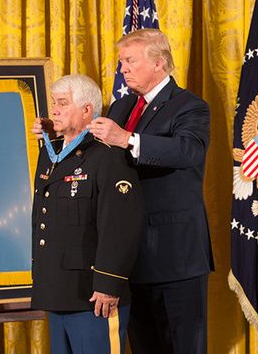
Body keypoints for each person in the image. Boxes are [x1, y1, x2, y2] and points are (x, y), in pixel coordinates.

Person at [32, 29, 213, 353]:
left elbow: (189, 151)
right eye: (121, 62)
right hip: (129, 259)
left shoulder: (189, 106)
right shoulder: (122, 105)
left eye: (130, 61)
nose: (123, 69)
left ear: (158, 62)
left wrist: (128, 139)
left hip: (174, 256)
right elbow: (90, 152)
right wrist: (56, 132)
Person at [31, 74, 144, 353]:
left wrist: (109, 282)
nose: (54, 109)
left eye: (63, 103)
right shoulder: (51, 154)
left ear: (86, 110)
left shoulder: (108, 155)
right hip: (58, 289)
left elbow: (120, 225)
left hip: (94, 295)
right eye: (54, 103)